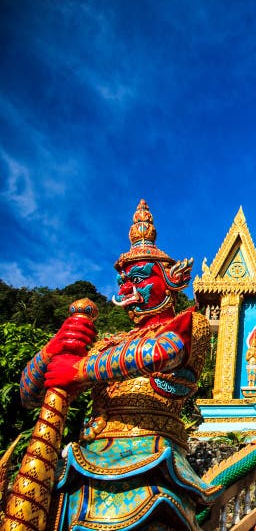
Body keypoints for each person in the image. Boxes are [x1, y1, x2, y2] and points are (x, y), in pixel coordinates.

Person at [17, 199, 219, 530]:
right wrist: (54, 349)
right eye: (123, 281)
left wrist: (80, 370)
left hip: (149, 456)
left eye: (139, 278)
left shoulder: (188, 324)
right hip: (82, 459)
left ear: (171, 281)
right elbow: (30, 396)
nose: (127, 288)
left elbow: (161, 353)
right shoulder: (111, 343)